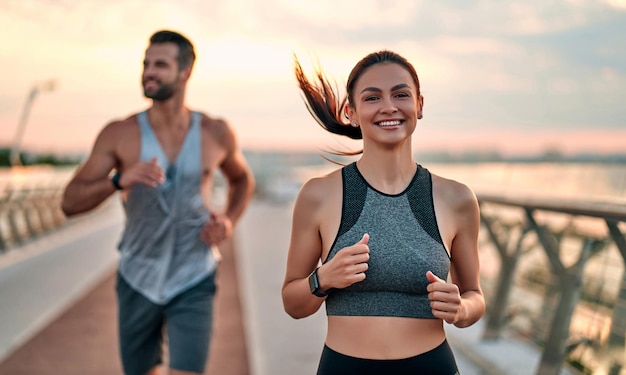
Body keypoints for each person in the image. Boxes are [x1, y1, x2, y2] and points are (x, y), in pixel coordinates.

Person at [61, 30, 255, 375]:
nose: (149, 72)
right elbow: (69, 202)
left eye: (160, 65)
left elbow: (242, 180)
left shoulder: (215, 132)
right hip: (138, 274)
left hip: (195, 273)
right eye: (146, 64)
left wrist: (228, 221)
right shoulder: (119, 134)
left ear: (185, 72)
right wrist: (119, 180)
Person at [282, 50, 485, 375]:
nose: (389, 106)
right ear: (351, 112)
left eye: (401, 94)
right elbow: (292, 303)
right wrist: (323, 279)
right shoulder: (318, 195)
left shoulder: (457, 198)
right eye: (373, 97)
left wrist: (461, 308)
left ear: (419, 104)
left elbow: (475, 295)